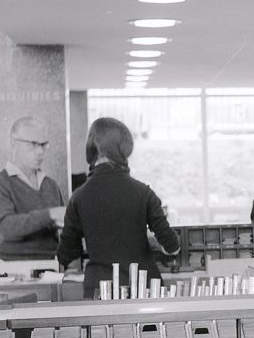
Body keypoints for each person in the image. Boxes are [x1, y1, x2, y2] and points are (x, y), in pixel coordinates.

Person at [56, 117, 180, 299]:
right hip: (144, 290)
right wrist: (151, 241)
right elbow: (172, 247)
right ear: (125, 149)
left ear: (92, 148)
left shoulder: (79, 196)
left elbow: (66, 255)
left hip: (100, 290)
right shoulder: (143, 193)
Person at [0, 116, 66, 260]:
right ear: (13, 144)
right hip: (11, 270)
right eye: (33, 144)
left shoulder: (51, 185)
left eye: (43, 145)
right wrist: (50, 215)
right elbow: (6, 227)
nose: (40, 152)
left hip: (51, 269)